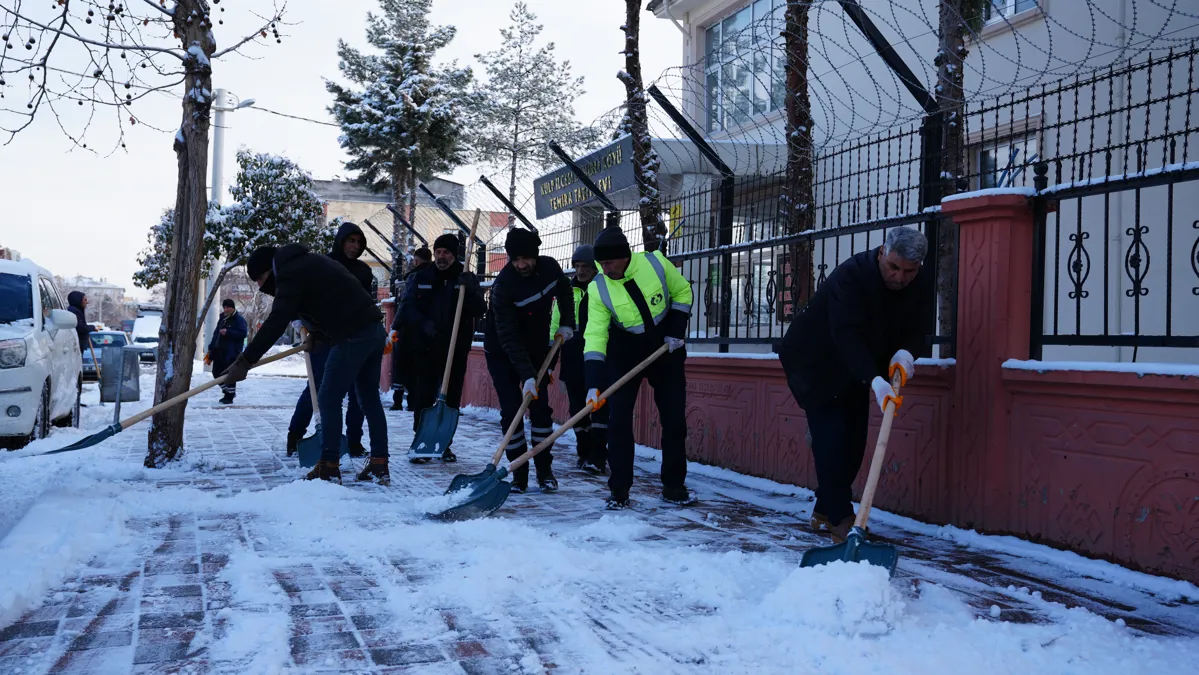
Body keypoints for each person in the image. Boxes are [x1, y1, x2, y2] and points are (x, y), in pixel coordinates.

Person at [778, 226, 933, 543]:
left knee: (854, 443)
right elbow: (845, 335)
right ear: (882, 252)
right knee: (832, 440)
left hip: (856, 368)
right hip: (814, 361)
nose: (900, 277)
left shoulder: (919, 282)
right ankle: (841, 520)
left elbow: (917, 328)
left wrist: (906, 353)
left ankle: (824, 507)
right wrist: (876, 380)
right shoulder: (852, 275)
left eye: (908, 271)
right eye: (894, 267)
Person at [223, 243, 389, 484]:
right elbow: (330, 300)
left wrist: (246, 360)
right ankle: (379, 464)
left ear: (269, 270)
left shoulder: (290, 272)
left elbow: (278, 319)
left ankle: (329, 466)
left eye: (259, 279)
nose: (260, 287)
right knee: (368, 399)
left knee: (328, 398)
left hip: (353, 335)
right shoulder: (308, 262)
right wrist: (319, 336)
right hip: (373, 330)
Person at [584, 226, 693, 510]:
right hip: (625, 350)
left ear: (624, 256)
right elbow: (595, 335)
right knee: (618, 421)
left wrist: (676, 329)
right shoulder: (598, 287)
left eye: (609, 263)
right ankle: (619, 490)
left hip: (666, 346)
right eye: (601, 263)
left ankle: (673, 485)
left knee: (673, 420)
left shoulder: (655, 262)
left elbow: (682, 291)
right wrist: (594, 383)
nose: (604, 269)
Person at [484, 228, 575, 493]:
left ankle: (544, 471)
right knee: (512, 410)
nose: (521, 265)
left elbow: (565, 290)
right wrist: (526, 376)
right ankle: (519, 475)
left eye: (525, 258)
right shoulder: (503, 287)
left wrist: (567, 323)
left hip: (536, 349)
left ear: (535, 254)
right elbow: (508, 337)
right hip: (501, 352)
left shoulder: (549, 268)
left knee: (540, 410)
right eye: (515, 260)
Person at [285, 222, 372, 457]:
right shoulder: (323, 264)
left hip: (353, 338)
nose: (355, 247)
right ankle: (295, 435)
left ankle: (354, 441)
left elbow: (366, 305)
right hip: (323, 338)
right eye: (350, 241)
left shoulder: (364, 271)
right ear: (340, 241)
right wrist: (300, 322)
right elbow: (301, 295)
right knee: (317, 387)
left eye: (359, 242)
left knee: (357, 393)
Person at [400, 234, 484, 463]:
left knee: (451, 397)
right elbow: (407, 307)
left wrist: (470, 291)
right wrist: (425, 325)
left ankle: (444, 443)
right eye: (438, 252)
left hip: (456, 347)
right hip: (426, 346)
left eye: (446, 252)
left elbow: (480, 309)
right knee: (424, 394)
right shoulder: (422, 276)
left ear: (454, 254)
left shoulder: (465, 277)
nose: (441, 257)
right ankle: (421, 440)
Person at [550, 244, 608, 474]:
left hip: (599, 358)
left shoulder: (604, 288)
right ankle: (584, 452)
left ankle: (598, 456)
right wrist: (550, 357)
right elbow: (556, 324)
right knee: (577, 409)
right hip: (572, 358)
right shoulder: (568, 292)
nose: (580, 271)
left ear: (595, 268)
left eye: (586, 266)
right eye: (577, 266)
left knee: (599, 408)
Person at [390, 247, 433, 411]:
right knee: (420, 367)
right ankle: (416, 400)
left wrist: (395, 326)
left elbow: (405, 304)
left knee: (402, 364)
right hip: (430, 329)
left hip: (410, 328)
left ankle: (399, 400)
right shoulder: (437, 276)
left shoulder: (414, 277)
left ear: (416, 260)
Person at [207, 299, 248, 404]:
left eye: (228, 307)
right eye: (224, 307)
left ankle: (229, 396)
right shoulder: (222, 318)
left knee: (229, 375)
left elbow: (243, 334)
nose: (226, 309)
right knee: (216, 373)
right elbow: (216, 334)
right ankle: (227, 392)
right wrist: (211, 349)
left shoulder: (239, 320)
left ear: (233, 308)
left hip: (231, 352)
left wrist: (228, 332)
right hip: (219, 350)